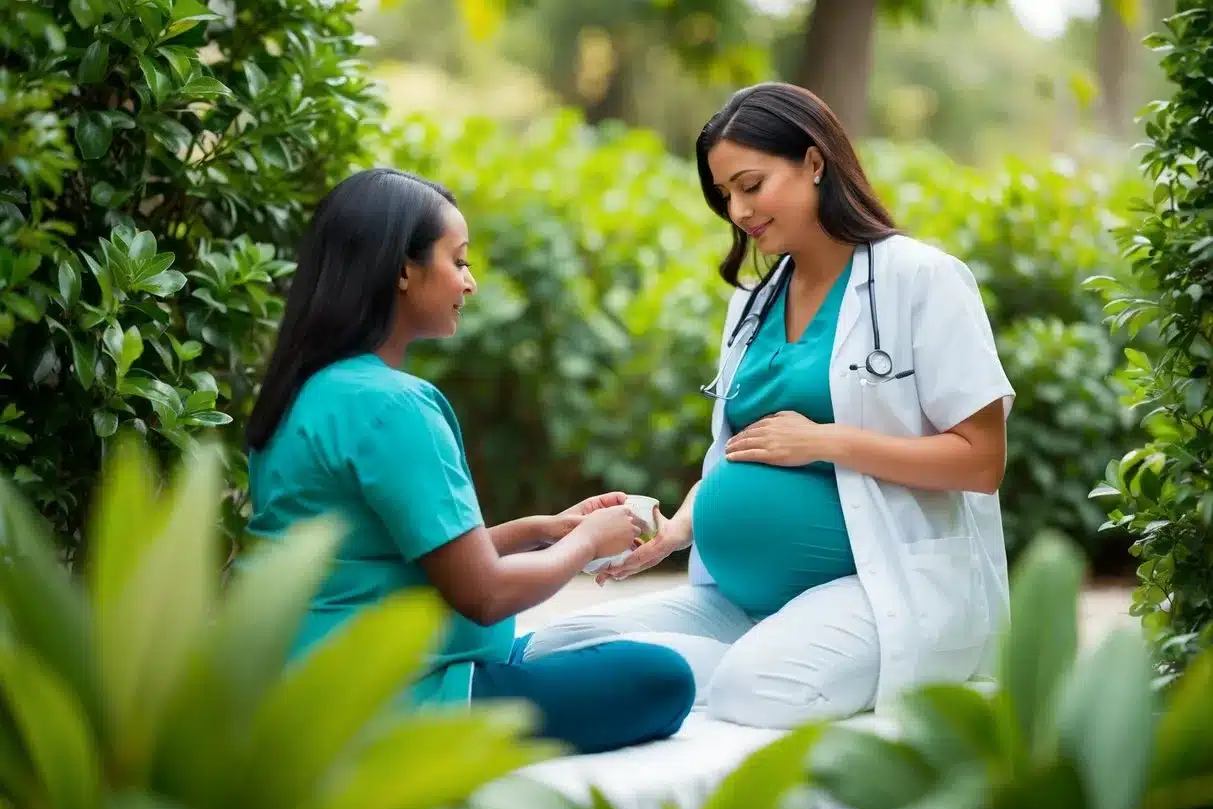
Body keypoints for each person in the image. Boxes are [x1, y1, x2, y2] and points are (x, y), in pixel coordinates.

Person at [524, 82, 1016, 728]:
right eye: (724, 194)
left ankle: (709, 673)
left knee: (754, 689)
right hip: (739, 598)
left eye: (750, 185)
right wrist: (677, 528)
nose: (737, 211)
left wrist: (825, 441)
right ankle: (710, 665)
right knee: (555, 646)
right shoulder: (751, 303)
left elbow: (980, 461)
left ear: (814, 163)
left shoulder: (920, 280)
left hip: (875, 585)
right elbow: (742, 448)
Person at [241, 168, 695, 753]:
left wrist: (542, 531)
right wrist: (586, 543)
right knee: (661, 677)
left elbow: (394, 555)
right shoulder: (392, 406)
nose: (470, 283)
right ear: (403, 269)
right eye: (458, 261)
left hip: (299, 679)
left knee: (574, 651)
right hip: (394, 701)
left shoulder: (305, 391)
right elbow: (483, 593)